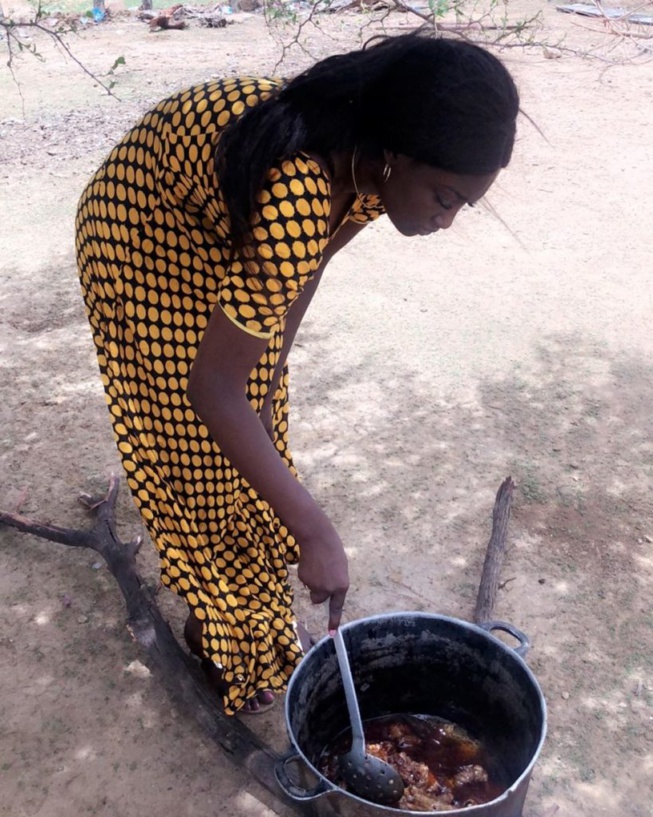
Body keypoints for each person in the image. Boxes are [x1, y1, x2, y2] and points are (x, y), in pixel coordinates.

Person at [75, 31, 519, 714]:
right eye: (445, 195)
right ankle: (217, 635)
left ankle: (258, 620)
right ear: (400, 157)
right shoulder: (297, 194)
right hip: (143, 231)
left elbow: (313, 258)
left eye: (464, 203)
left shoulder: (371, 162)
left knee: (254, 424)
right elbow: (211, 386)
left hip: (226, 231)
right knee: (196, 453)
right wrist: (315, 531)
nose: (448, 219)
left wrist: (271, 365)